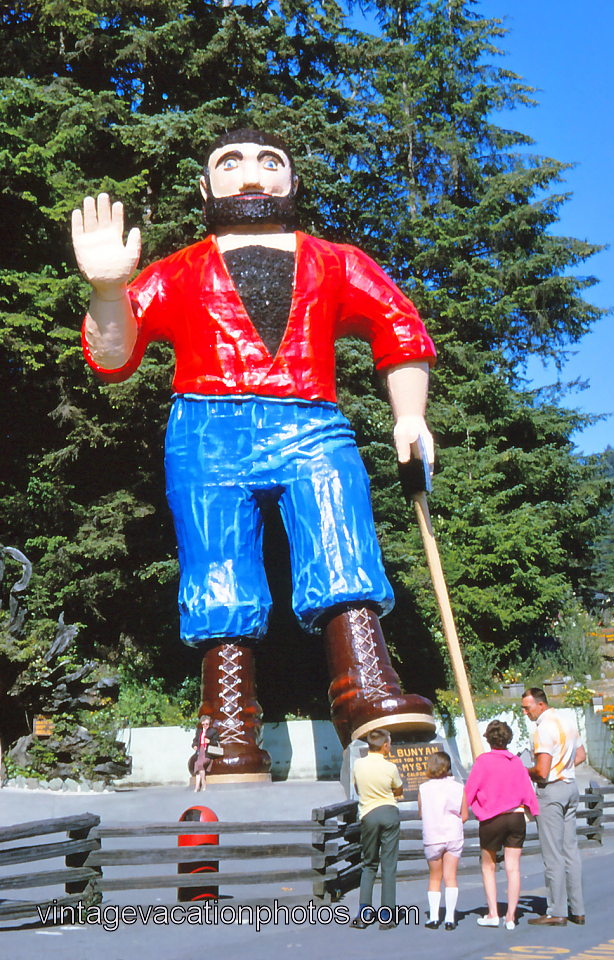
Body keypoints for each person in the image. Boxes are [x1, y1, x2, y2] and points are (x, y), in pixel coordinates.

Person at [71, 128, 438, 778]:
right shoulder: (179, 270)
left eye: (271, 161)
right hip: (207, 428)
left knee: (339, 530)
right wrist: (106, 293)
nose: (251, 173)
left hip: (311, 421)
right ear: (206, 188)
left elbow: (397, 327)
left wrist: (409, 415)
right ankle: (227, 726)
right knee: (216, 564)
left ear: (291, 184)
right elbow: (114, 357)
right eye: (230, 162)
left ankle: (366, 689)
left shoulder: (337, 261)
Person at [464, 719, 539, 930]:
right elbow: (527, 792)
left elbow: (469, 792)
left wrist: (463, 811)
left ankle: (493, 913)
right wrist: (534, 810)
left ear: (488, 739)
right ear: (508, 740)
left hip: (492, 819)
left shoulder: (483, 762)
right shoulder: (516, 762)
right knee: (513, 868)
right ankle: (511, 917)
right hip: (516, 818)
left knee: (488, 866)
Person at [521, 687, 587, 926]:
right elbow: (580, 755)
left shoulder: (542, 729)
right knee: (570, 849)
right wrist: (564, 766)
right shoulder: (567, 720)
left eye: (527, 707)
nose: (525, 712)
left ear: (540, 705)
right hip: (570, 786)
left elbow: (541, 771)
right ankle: (577, 908)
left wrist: (523, 770)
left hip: (551, 790)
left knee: (552, 853)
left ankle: (556, 910)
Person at [351, 728, 403, 929]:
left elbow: (357, 788)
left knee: (369, 863)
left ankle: (364, 915)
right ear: (385, 745)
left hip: (368, 815)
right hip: (389, 812)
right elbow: (398, 789)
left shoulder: (358, 764)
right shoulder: (390, 767)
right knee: (388, 866)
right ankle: (387, 916)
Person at [418, 750, 468, 931]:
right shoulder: (458, 787)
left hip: (433, 836)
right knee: (451, 877)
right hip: (453, 834)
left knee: (434, 877)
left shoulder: (424, 788)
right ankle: (449, 918)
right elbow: (465, 814)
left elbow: (421, 812)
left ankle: (433, 917)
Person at [190, 714, 221, 792]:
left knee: (199, 764)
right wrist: (194, 745)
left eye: (207, 724)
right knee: (198, 765)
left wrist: (210, 741)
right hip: (200, 751)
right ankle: (197, 787)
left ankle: (203, 782)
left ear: (209, 723)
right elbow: (195, 740)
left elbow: (217, 742)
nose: (205, 725)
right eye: (203, 724)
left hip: (208, 752)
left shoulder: (213, 731)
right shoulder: (199, 731)